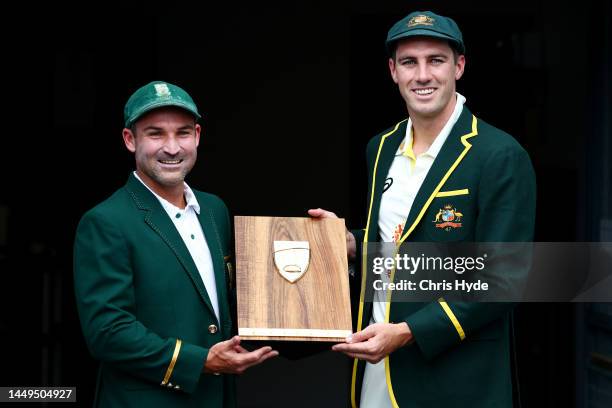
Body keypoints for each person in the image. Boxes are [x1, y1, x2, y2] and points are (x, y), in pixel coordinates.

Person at [309, 10, 536, 408]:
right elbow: (400, 244)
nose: (423, 75)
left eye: (436, 60)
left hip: (456, 379)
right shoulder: (380, 147)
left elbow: (504, 279)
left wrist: (409, 331)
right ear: (393, 71)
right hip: (378, 369)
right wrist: (352, 244)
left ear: (459, 67)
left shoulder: (499, 154)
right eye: (409, 62)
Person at [74, 81, 278, 408]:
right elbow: (108, 333)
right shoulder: (106, 221)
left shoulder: (215, 210)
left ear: (197, 135)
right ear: (130, 140)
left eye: (182, 133)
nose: (172, 147)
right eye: (155, 134)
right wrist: (200, 362)